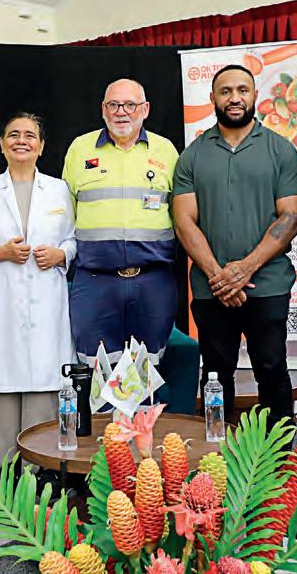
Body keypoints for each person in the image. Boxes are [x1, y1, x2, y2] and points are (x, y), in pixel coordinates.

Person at [172, 64, 297, 429]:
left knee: (272, 369)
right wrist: (219, 276)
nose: (234, 98)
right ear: (212, 98)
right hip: (210, 288)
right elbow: (184, 222)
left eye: (242, 90)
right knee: (215, 373)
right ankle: (215, 451)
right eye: (226, 91)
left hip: (268, 284)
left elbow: (291, 216)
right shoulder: (192, 156)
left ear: (255, 96)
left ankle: (280, 456)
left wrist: (244, 269)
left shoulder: (281, 150)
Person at [0, 113, 76, 463]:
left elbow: (73, 240)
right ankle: (2, 472)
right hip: (3, 306)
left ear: (41, 146)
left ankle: (40, 473)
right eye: (13, 134)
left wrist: (60, 255)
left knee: (44, 385)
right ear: (1, 144)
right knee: (2, 387)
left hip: (46, 305)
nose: (21, 140)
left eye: (29, 135)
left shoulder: (59, 189)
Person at [62, 79, 179, 393]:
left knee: (146, 374)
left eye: (130, 105)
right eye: (114, 105)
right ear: (103, 109)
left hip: (152, 282)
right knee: (96, 372)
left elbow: (181, 214)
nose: (121, 112)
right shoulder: (80, 149)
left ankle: (142, 428)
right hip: (95, 282)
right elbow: (64, 216)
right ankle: (102, 428)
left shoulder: (166, 151)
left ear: (145, 109)